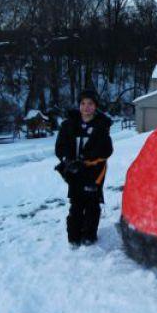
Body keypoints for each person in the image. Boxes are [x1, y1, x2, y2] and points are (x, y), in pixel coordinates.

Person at [55, 88, 113, 246]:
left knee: (92, 203)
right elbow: (60, 147)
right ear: (79, 105)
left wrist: (87, 159)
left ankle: (89, 235)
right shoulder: (68, 125)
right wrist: (68, 161)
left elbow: (107, 150)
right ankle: (74, 237)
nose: (86, 107)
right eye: (83, 103)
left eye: (90, 104)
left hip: (94, 171)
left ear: (95, 106)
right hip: (74, 171)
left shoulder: (101, 126)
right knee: (76, 203)